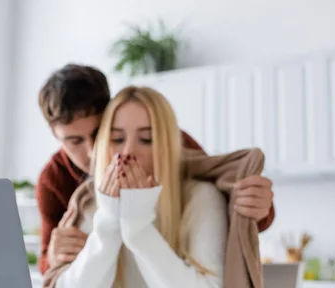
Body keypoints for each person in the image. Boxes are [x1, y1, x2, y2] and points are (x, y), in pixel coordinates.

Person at [38, 86, 268, 288]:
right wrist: (110, 222)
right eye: (116, 139)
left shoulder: (200, 198)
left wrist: (138, 229)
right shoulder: (91, 203)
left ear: (167, 145)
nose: (127, 153)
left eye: (147, 139)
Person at [36, 64, 275, 275]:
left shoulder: (163, 142)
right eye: (74, 141)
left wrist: (259, 208)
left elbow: (223, 188)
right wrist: (52, 258)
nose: (91, 151)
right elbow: (47, 266)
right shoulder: (53, 180)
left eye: (100, 134)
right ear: (55, 136)